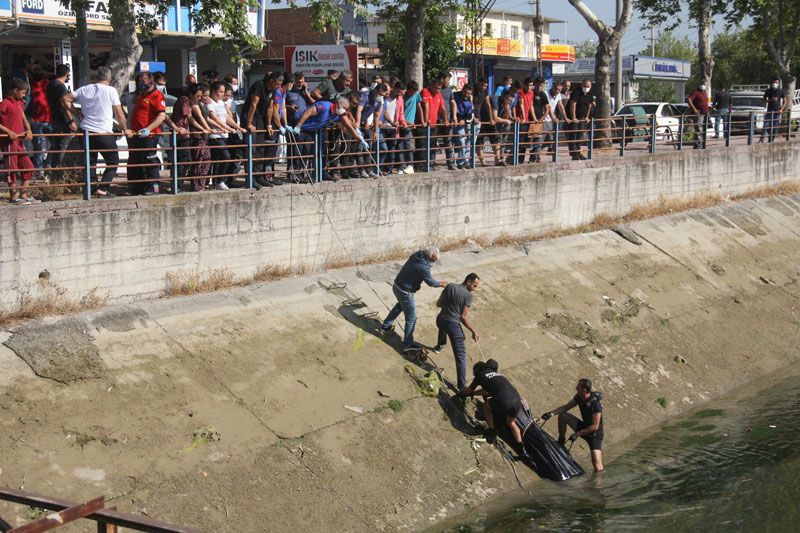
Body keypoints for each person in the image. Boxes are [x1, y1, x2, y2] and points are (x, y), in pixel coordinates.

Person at [62, 66, 134, 198]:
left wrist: (76, 113)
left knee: (91, 162)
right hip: (103, 133)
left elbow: (65, 99)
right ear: (109, 78)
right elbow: (119, 113)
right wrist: (125, 129)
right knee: (113, 162)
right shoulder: (110, 91)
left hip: (86, 132)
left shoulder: (84, 89)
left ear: (96, 77)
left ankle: (91, 189)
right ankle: (102, 189)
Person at [382, 247, 448, 352]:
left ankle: (386, 325)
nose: (433, 263)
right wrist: (442, 284)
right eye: (433, 260)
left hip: (397, 286)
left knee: (400, 306)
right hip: (405, 292)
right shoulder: (423, 267)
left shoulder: (417, 255)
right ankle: (408, 344)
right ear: (430, 257)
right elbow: (431, 282)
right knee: (411, 318)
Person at [460, 359, 529, 460]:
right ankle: (523, 451)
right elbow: (485, 390)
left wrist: (462, 393)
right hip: (516, 399)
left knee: (486, 406)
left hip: (504, 401)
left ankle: (491, 431)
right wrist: (474, 394)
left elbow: (469, 390)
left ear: (476, 371)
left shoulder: (479, 376)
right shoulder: (496, 374)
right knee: (511, 423)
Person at [292, 96, 364, 181]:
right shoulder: (324, 106)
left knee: (308, 152)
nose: (344, 110)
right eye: (344, 108)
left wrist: (357, 135)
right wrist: (298, 126)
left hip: (311, 130)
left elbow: (345, 127)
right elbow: (308, 112)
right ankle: (296, 175)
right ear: (338, 104)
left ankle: (309, 174)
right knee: (299, 152)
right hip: (301, 127)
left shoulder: (336, 115)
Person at [541, 378, 604, 472]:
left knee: (597, 464)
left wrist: (577, 434)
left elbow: (595, 426)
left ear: (584, 390)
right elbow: (566, 408)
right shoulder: (579, 397)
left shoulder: (595, 405)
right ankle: (561, 442)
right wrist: (551, 413)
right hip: (583, 426)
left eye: (578, 387)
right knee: (563, 416)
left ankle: (599, 484)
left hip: (595, 434)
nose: (576, 388)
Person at [433, 273, 481, 391]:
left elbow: (438, 304)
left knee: (443, 327)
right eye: (474, 286)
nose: (475, 289)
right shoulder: (468, 296)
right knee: (461, 356)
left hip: (440, 319)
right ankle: (461, 387)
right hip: (453, 325)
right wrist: (474, 331)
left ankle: (439, 346)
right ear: (468, 282)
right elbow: (463, 318)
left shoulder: (450, 286)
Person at [0, 78, 37, 204]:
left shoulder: (19, 102)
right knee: (12, 168)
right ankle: (14, 197)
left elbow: (23, 117)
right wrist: (7, 131)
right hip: (9, 142)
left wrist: (29, 129)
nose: (23, 95)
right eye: (22, 92)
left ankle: (24, 194)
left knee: (29, 167)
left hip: (20, 141)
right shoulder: (5, 103)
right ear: (15, 91)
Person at [207, 80, 244, 190]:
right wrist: (225, 128)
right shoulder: (210, 103)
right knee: (225, 157)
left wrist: (237, 128)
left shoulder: (221, 103)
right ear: (213, 91)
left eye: (224, 92)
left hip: (224, 135)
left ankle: (217, 181)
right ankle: (219, 181)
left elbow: (227, 117)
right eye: (220, 92)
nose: (222, 94)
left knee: (220, 159)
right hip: (215, 135)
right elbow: (214, 118)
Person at [46, 64, 73, 177]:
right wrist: (71, 120)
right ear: (67, 74)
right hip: (63, 121)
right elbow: (64, 105)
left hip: (54, 119)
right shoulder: (61, 87)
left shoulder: (50, 85)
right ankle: (59, 172)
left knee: (56, 146)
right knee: (63, 146)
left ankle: (53, 171)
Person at [25, 65, 52, 174]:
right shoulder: (30, 84)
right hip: (36, 121)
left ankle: (47, 163)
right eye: (36, 71)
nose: (39, 73)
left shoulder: (45, 82)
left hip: (48, 119)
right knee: (38, 146)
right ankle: (39, 169)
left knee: (55, 143)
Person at [421, 78, 448, 170]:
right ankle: (424, 165)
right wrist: (426, 119)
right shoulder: (425, 91)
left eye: (439, 89)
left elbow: (442, 108)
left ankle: (431, 164)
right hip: (426, 125)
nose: (437, 90)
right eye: (435, 88)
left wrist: (446, 119)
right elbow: (426, 106)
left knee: (433, 145)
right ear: (431, 86)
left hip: (434, 124)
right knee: (425, 145)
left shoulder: (439, 94)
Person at [567, 79, 595, 160]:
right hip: (574, 116)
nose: (586, 88)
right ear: (582, 85)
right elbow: (573, 104)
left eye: (588, 86)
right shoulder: (577, 92)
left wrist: (587, 117)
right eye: (585, 86)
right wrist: (573, 117)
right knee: (573, 134)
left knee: (580, 135)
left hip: (582, 117)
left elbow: (590, 105)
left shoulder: (590, 94)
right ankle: (574, 154)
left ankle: (578, 152)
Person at [452, 84, 476, 169]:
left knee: (462, 142)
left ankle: (461, 162)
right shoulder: (454, 95)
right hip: (451, 121)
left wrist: (464, 120)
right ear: (462, 89)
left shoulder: (469, 102)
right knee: (450, 143)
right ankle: (452, 162)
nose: (466, 94)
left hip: (460, 124)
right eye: (465, 92)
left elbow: (469, 116)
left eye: (469, 93)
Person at [515, 77, 536, 164]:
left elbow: (531, 106)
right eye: (528, 85)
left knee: (525, 142)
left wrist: (534, 118)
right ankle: (517, 159)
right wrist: (523, 117)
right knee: (519, 141)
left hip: (527, 120)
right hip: (520, 120)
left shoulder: (531, 93)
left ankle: (520, 160)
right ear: (524, 85)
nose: (529, 87)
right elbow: (521, 105)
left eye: (531, 85)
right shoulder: (520, 92)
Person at [529, 77, 550, 163]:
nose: (539, 87)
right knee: (524, 142)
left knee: (537, 142)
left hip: (538, 121)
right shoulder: (530, 93)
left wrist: (541, 119)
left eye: (541, 85)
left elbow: (547, 109)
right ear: (534, 84)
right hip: (528, 120)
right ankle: (518, 159)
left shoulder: (543, 95)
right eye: (538, 85)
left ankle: (533, 158)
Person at [760, 78, 785, 144]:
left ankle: (771, 140)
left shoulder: (781, 91)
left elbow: (785, 101)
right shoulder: (768, 90)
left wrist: (781, 109)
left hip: (777, 112)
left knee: (774, 127)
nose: (775, 84)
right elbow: (763, 100)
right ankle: (761, 140)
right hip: (769, 111)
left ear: (779, 83)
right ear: (772, 83)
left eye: (776, 83)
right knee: (765, 125)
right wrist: (770, 100)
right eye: (774, 82)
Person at [686, 81, 710, 149]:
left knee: (703, 129)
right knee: (699, 129)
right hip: (699, 113)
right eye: (702, 85)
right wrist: (694, 109)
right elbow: (689, 99)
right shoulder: (695, 92)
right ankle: (698, 144)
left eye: (704, 85)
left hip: (705, 113)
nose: (703, 86)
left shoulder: (704, 92)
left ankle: (701, 144)